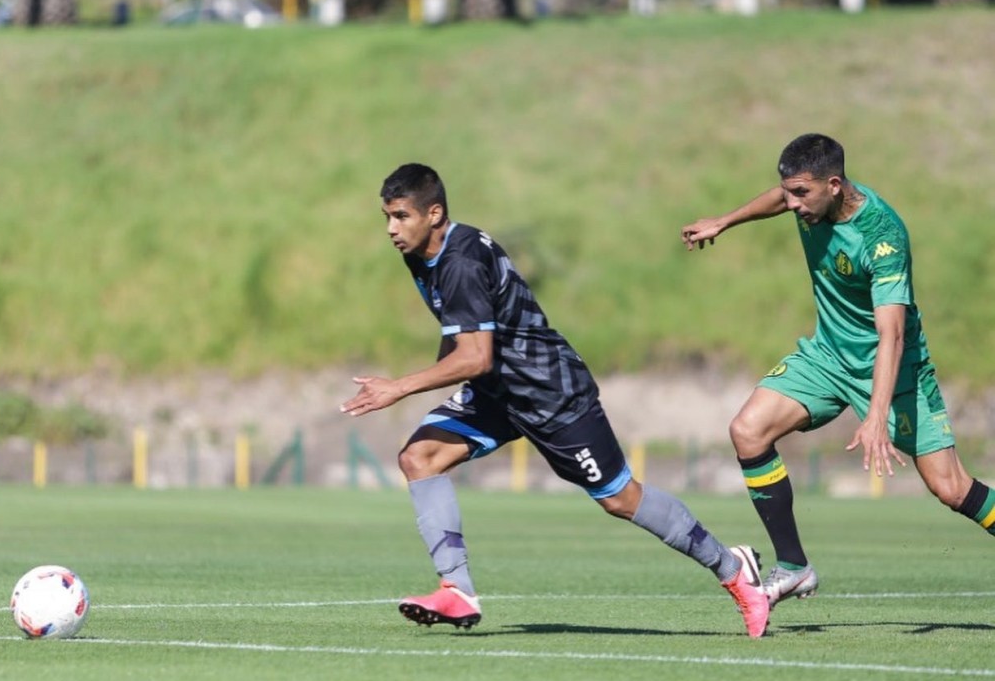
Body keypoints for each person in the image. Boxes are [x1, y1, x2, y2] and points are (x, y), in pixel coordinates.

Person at [341, 163, 770, 637]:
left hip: (552, 394)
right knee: (419, 457)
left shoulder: (460, 262)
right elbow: (466, 335)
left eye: (401, 216)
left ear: (434, 213)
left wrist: (399, 386)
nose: (391, 228)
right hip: (498, 394)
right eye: (387, 217)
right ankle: (457, 590)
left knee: (621, 499)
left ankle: (733, 569)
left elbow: (476, 356)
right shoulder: (425, 253)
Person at [681, 133, 995, 608]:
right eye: (788, 192)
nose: (792, 204)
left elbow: (892, 335)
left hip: (894, 369)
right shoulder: (809, 200)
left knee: (951, 488)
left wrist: (876, 415)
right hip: (827, 357)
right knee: (748, 431)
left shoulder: (882, 237)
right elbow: (779, 197)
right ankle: (793, 567)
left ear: (834, 186)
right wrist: (724, 222)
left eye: (800, 194)